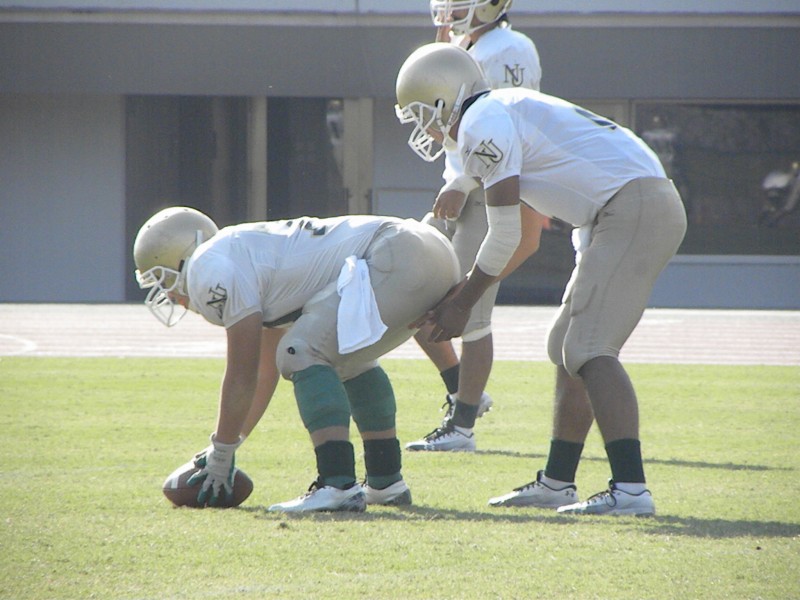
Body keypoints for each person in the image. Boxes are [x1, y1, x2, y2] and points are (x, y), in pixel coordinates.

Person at [395, 43, 687, 516]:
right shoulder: (495, 110)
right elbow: (522, 156)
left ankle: (631, 490)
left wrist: (462, 301)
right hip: (619, 206)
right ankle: (557, 481)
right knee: (564, 347)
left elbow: (506, 233)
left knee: (589, 349)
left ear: (444, 97)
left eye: (422, 114)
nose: (423, 127)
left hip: (633, 206)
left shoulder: (482, 121)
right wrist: (462, 182)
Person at [133, 207, 460, 512]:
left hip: (396, 251)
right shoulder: (243, 254)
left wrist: (220, 453)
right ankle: (386, 481)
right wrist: (226, 449)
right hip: (428, 248)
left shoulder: (207, 265)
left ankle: (337, 484)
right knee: (344, 359)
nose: (168, 294)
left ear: (182, 256)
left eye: (164, 280)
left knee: (301, 351)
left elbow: (243, 373)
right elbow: (264, 373)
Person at [406, 0, 544, 452]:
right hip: (458, 186)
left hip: (487, 189)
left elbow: (504, 131)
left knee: (471, 311)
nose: (450, 8)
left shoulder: (509, 48)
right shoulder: (466, 46)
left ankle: (461, 427)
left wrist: (464, 183)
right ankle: (462, 392)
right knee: (408, 290)